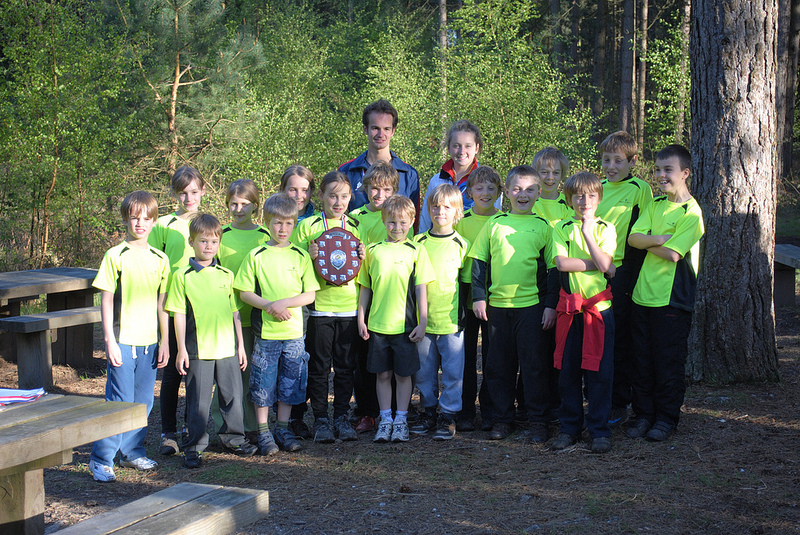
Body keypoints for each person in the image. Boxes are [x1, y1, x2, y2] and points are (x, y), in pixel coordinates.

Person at [468, 165, 557, 443]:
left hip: (531, 308)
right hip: (497, 308)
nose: (523, 194)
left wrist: (550, 305)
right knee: (499, 367)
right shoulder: (495, 223)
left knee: (534, 367)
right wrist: (479, 297)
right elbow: (479, 262)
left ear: (538, 193)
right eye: (517, 189)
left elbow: (553, 270)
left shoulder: (544, 226)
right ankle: (502, 419)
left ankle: (538, 421)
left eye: (530, 189)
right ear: (506, 192)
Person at [88, 191, 171, 482]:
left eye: (146, 219)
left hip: (149, 344)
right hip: (122, 341)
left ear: (154, 222)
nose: (140, 224)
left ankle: (132, 452)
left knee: (144, 402)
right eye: (135, 218)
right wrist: (109, 341)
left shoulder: (161, 259)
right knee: (119, 402)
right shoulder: (115, 255)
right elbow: (106, 300)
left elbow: (163, 304)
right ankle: (101, 458)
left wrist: (165, 341)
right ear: (126, 219)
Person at [625, 144, 704, 442]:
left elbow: (673, 255)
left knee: (667, 362)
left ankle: (666, 419)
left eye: (668, 170)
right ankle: (643, 415)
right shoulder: (655, 204)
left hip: (673, 300)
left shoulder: (692, 212)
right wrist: (659, 238)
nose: (661, 175)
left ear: (685, 173)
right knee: (641, 361)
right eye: (657, 169)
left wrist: (649, 242)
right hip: (641, 296)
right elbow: (633, 239)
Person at [166, 214, 257, 468]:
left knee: (232, 397)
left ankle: (234, 439)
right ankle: (194, 446)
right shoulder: (182, 276)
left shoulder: (226, 274)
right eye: (203, 241)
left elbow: (234, 312)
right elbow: (178, 314)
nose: (208, 246)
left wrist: (241, 346)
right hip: (198, 349)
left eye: (214, 242)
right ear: (191, 242)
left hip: (227, 348)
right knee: (198, 401)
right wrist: (181, 349)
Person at [235, 193, 320, 455]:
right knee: (263, 382)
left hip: (294, 334)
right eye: (277, 223)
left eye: (288, 223)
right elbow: (244, 292)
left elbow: (310, 294)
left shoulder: (300, 256)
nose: (283, 229)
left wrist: (285, 303)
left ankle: (283, 428)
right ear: (267, 222)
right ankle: (263, 432)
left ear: (295, 224)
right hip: (266, 334)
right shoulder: (256, 255)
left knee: (290, 382)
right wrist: (270, 306)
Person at [357, 195, 435, 443]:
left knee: (403, 376)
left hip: (405, 327)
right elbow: (365, 287)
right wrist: (361, 318)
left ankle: (401, 419)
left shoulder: (417, 250)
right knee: (382, 375)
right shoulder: (372, 251)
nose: (397, 227)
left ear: (412, 222)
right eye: (391, 222)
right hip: (377, 327)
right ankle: (385, 419)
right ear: (383, 221)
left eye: (402, 222)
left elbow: (421, 289)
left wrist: (423, 321)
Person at [549, 172, 617, 454]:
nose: (584, 201)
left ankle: (599, 430)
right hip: (570, 311)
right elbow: (562, 264)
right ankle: (569, 428)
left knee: (599, 373)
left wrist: (588, 233)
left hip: (599, 312)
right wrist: (600, 264)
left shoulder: (606, 228)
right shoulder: (561, 227)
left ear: (599, 199)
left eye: (590, 195)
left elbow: (607, 265)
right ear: (569, 199)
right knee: (568, 373)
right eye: (578, 196)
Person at [292, 171, 363, 443]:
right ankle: (321, 418)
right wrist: (307, 256)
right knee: (319, 367)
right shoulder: (308, 226)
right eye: (332, 196)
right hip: (319, 308)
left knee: (345, 367)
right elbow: (294, 264)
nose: (338, 202)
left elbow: (362, 267)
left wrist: (363, 255)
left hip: (348, 308)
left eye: (344, 196)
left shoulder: (356, 226)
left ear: (350, 197)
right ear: (321, 195)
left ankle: (342, 417)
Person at [596, 131, 653, 427]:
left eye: (618, 160)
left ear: (632, 161)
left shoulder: (640, 188)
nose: (611, 166)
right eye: (606, 160)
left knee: (620, 338)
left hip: (623, 273)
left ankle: (620, 401)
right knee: (597, 337)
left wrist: (631, 273)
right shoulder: (597, 188)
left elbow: (643, 231)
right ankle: (598, 397)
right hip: (592, 272)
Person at [148, 165, 206, 456]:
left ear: (203, 191)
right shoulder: (163, 224)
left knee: (195, 372)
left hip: (200, 307)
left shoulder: (208, 223)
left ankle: (189, 429)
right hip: (171, 307)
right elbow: (153, 261)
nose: (189, 198)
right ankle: (167, 433)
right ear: (174, 194)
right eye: (183, 193)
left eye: (194, 192)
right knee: (172, 373)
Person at [212, 179, 270, 442]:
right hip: (227, 317)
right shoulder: (221, 235)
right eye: (233, 204)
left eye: (245, 204)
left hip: (258, 316)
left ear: (255, 205)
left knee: (253, 375)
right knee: (227, 376)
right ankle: (222, 426)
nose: (239, 209)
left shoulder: (265, 235)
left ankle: (252, 426)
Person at [347, 161, 404, 432]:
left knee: (394, 357)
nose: (379, 195)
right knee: (364, 358)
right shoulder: (355, 217)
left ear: (395, 191)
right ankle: (366, 411)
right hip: (362, 291)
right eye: (374, 189)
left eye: (386, 190)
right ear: (365, 188)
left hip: (392, 296)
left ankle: (395, 410)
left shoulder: (398, 217)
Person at [412, 184, 470, 440]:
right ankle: (428, 412)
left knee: (453, 373)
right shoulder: (417, 242)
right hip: (423, 322)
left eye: (447, 207)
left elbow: (466, 284)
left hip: (451, 322)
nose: (440, 211)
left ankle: (448, 415)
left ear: (457, 211)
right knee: (424, 372)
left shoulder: (462, 244)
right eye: (435, 206)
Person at [455, 166, 502, 432]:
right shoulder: (460, 222)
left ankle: (490, 410)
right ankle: (465, 410)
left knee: (493, 355)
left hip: (495, 292)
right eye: (479, 188)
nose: (485, 193)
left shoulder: (504, 220)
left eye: (491, 188)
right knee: (466, 354)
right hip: (465, 292)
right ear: (469, 192)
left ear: (499, 192)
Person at [339, 99, 420, 223]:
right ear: (365, 129)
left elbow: (415, 220)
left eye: (386, 129)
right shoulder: (346, 171)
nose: (381, 134)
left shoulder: (409, 174)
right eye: (375, 128)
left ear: (393, 131)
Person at [419, 120, 501, 233]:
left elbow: (496, 219)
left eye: (468, 146)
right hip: (441, 242)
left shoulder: (489, 182)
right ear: (448, 148)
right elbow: (426, 219)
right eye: (456, 146)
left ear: (477, 148)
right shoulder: (437, 180)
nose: (462, 151)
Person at [533, 147, 573, 227]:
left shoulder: (568, 204)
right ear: (535, 173)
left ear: (562, 175)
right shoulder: (529, 202)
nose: (550, 177)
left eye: (556, 173)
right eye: (544, 172)